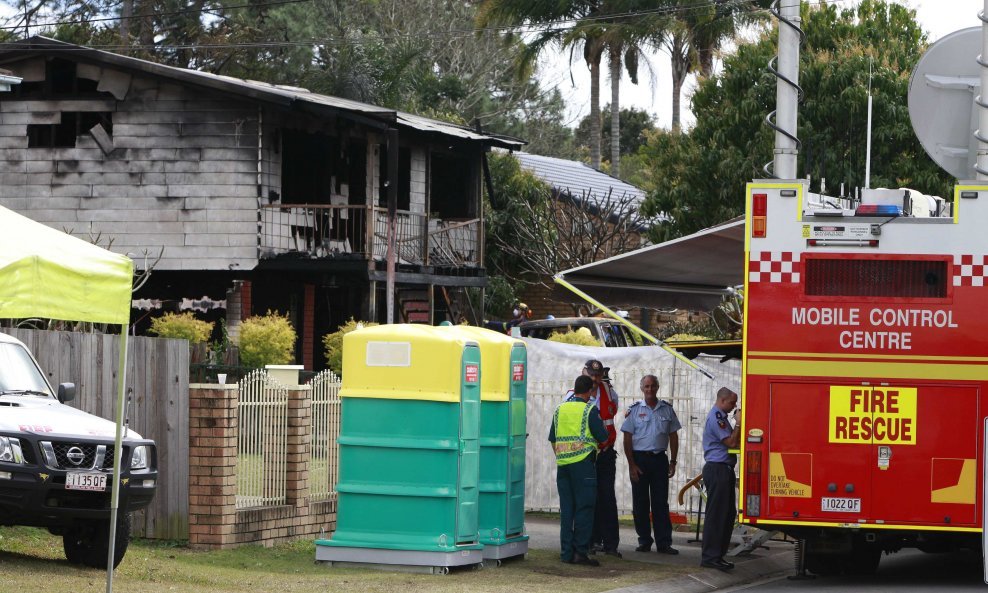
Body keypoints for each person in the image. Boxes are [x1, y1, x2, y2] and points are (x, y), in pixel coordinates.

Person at [549, 375, 609, 566]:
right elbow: (603, 437)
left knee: (567, 510)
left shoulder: (559, 409)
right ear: (590, 391)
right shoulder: (590, 409)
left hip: (563, 465)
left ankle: (566, 553)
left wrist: (562, 455)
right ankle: (580, 552)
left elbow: (552, 439)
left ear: (574, 389)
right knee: (584, 508)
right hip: (583, 465)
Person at [621, 374, 681, 554]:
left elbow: (673, 437)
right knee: (640, 503)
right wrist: (631, 464)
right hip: (639, 460)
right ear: (642, 389)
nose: (650, 390)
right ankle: (644, 541)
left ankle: (664, 543)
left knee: (660, 503)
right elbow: (627, 438)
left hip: (659, 460)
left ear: (657, 387)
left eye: (653, 386)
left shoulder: (667, 410)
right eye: (646, 386)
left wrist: (673, 461)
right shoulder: (634, 410)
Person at [700, 387, 742, 572]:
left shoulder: (723, 418)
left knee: (727, 515)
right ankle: (710, 556)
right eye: (732, 403)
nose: (734, 406)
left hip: (724, 469)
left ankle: (718, 555)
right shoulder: (716, 418)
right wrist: (739, 424)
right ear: (723, 400)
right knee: (717, 515)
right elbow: (731, 442)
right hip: (717, 469)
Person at [583, 359, 621, 557]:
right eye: (591, 375)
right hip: (587, 455)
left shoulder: (609, 391)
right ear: (584, 373)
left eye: (597, 375)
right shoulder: (576, 393)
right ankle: (590, 541)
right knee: (589, 499)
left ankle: (611, 544)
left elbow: (612, 415)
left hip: (605, 453)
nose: (595, 379)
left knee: (607, 499)